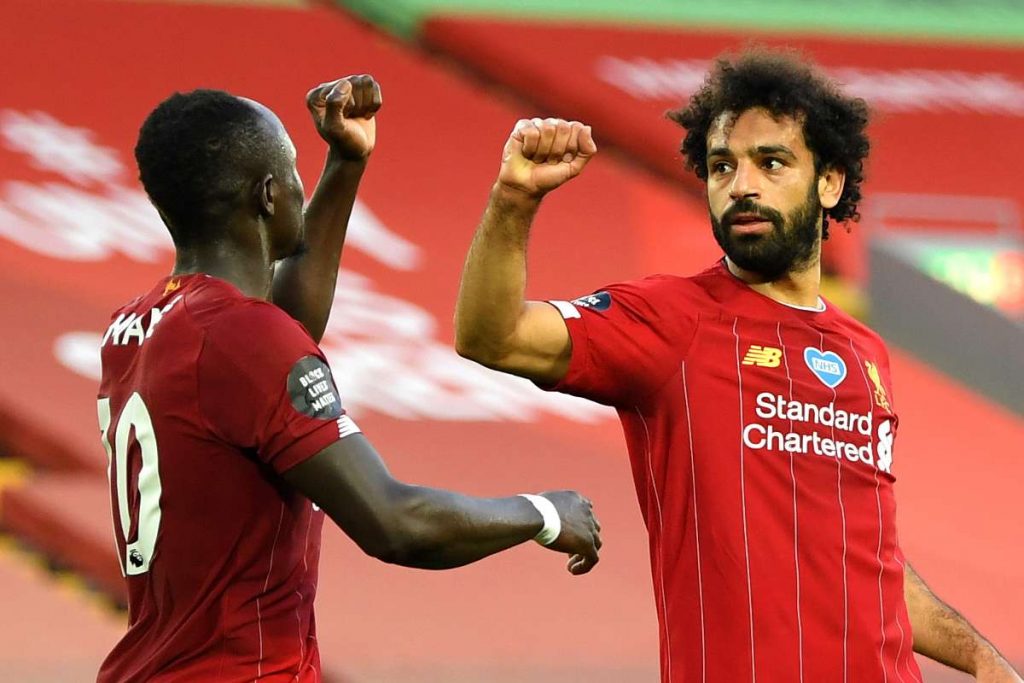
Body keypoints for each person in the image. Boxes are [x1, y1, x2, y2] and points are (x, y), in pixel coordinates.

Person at [454, 48, 1021, 682]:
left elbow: (870, 562)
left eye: (771, 162)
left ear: (829, 182)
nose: (742, 185)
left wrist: (981, 658)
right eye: (722, 166)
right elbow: (491, 336)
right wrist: (514, 199)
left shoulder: (866, 354)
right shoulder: (670, 320)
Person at [96, 75, 601, 682]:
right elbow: (394, 524)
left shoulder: (140, 325)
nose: (299, 184)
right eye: (292, 171)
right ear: (267, 194)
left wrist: (346, 160)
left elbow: (282, 329)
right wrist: (543, 513)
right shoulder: (242, 339)